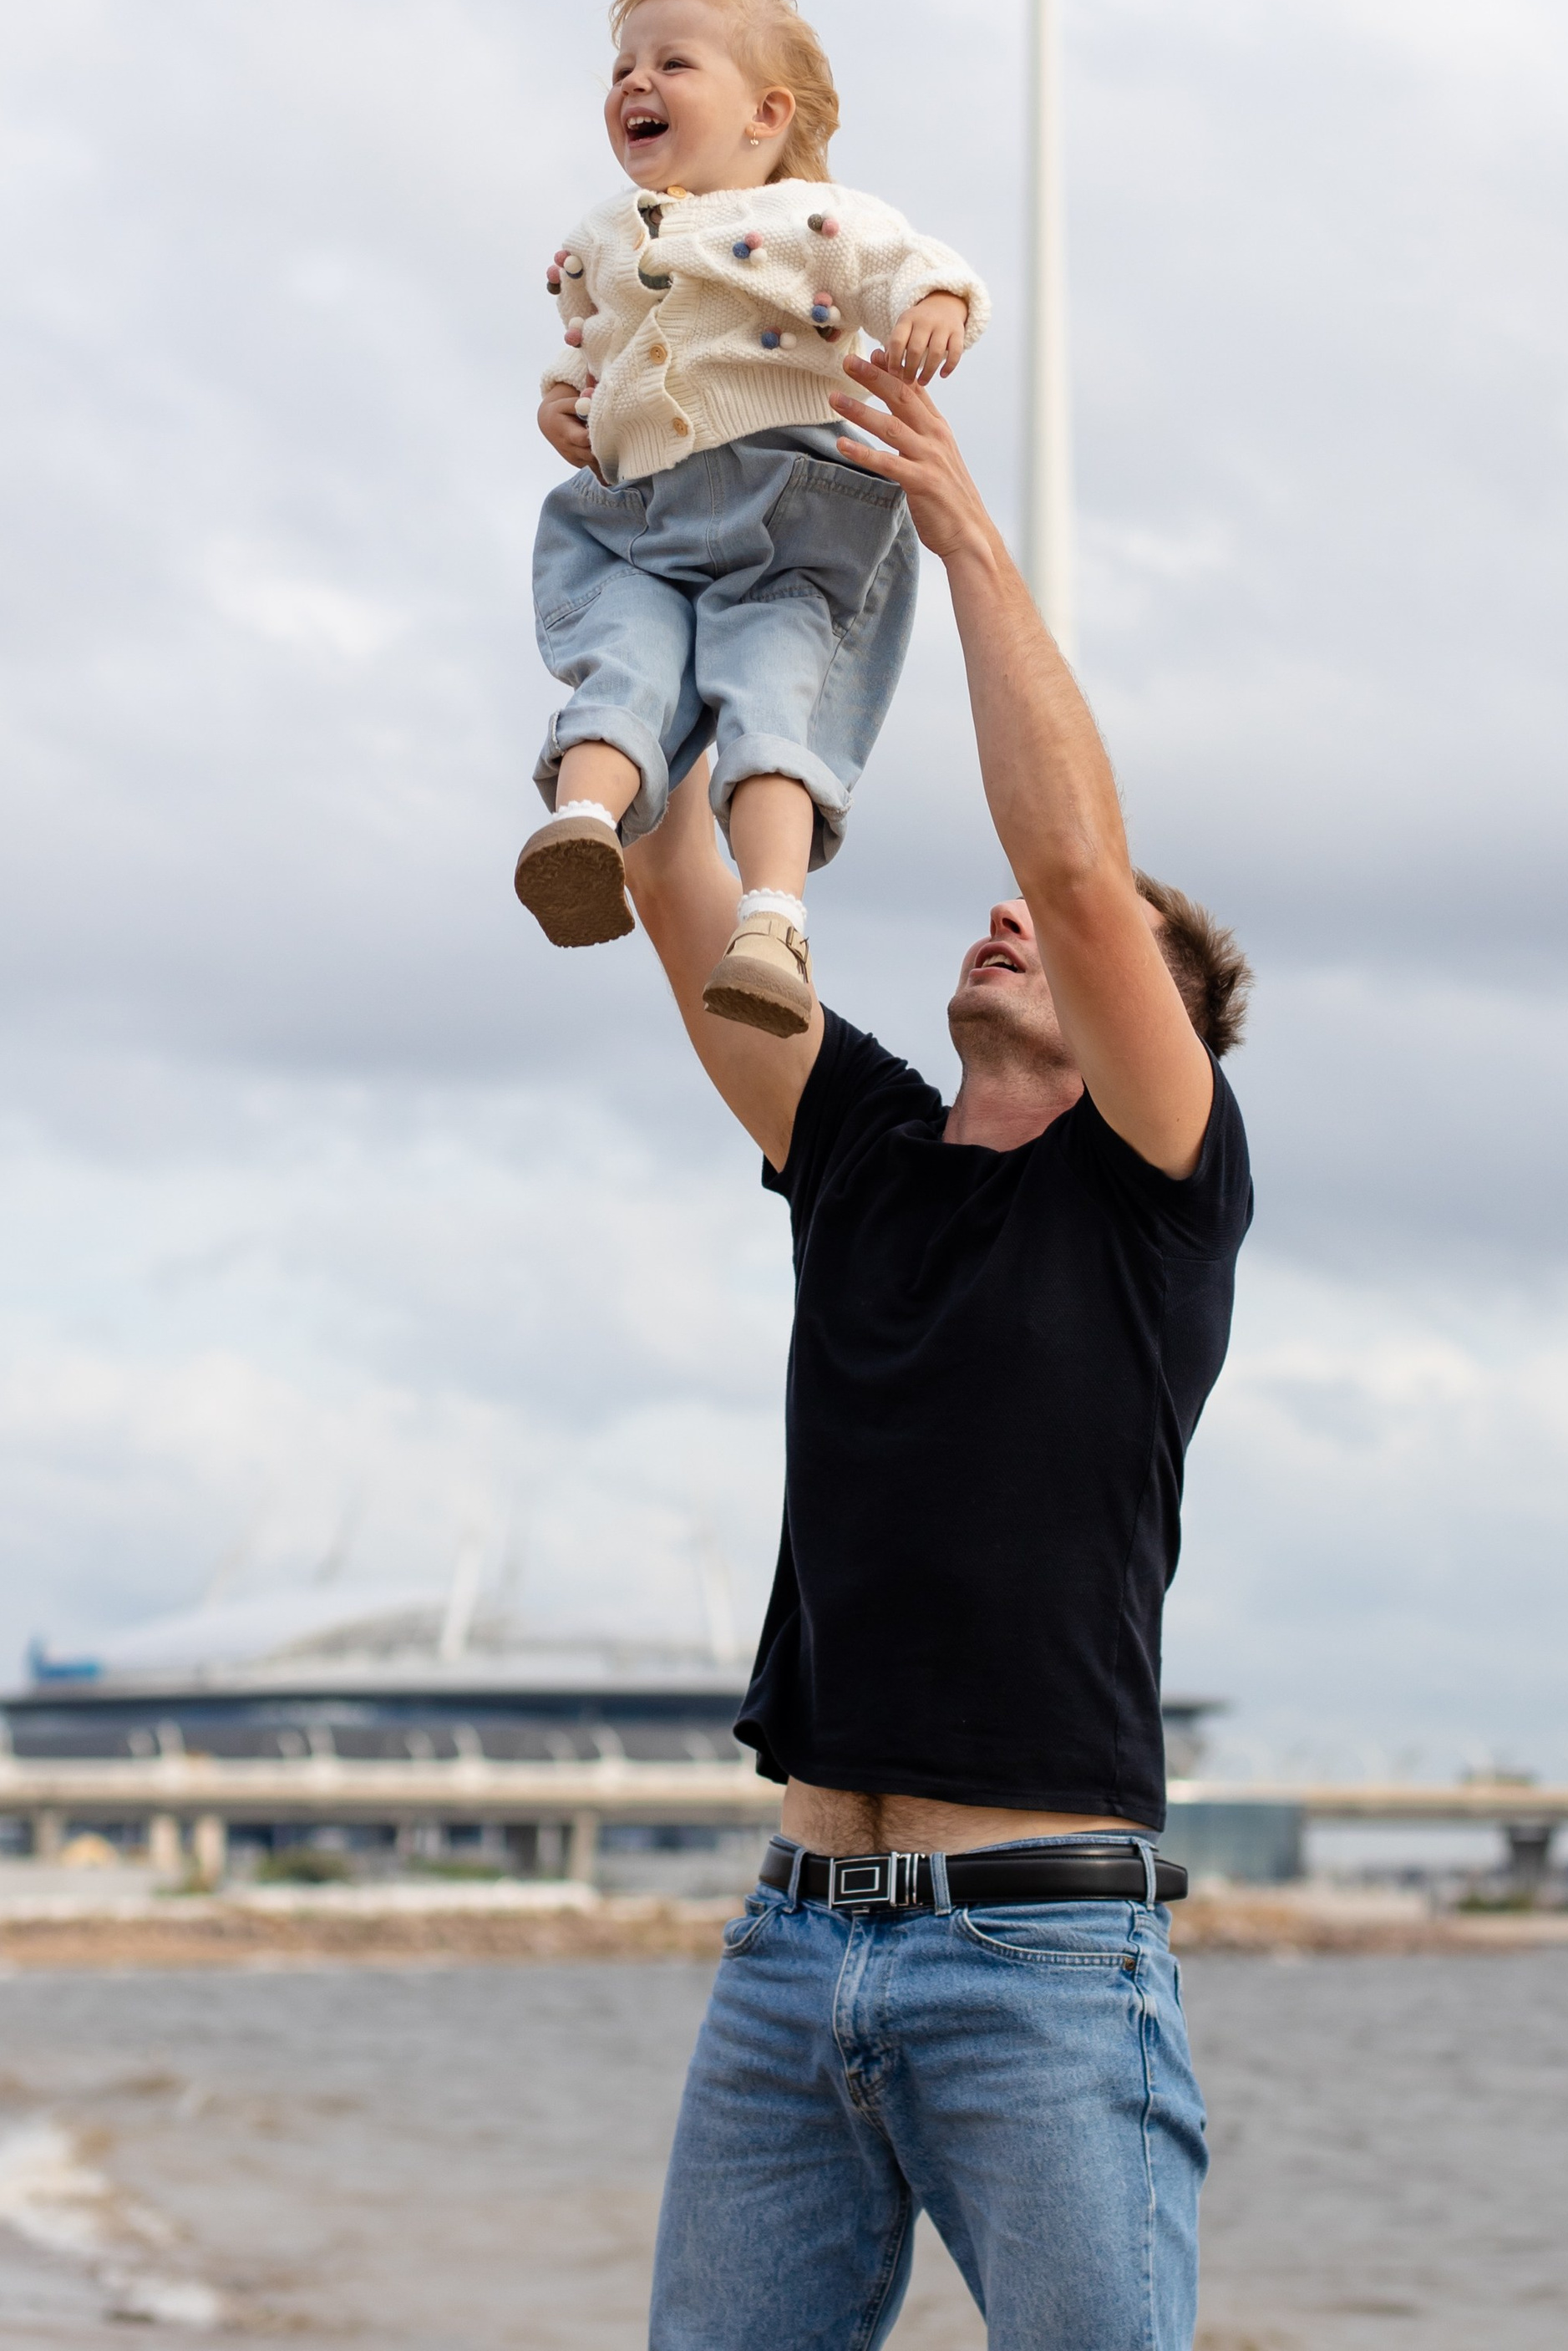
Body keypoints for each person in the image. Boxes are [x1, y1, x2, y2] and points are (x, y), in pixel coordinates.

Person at [621, 346, 1256, 2351]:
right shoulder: (867, 1147)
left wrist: (956, 525)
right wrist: (661, 485)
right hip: (788, 1950)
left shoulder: (1158, 1186)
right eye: (997, 915)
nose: (1019, 921)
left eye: (1086, 954)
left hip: (1042, 1966)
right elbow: (665, 869)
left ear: (1159, 1030)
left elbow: (1075, 867)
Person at [516, 0, 988, 1038]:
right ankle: (585, 826)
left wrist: (932, 310)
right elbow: (588, 347)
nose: (634, 84)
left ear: (767, 115)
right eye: (622, 67)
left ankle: (772, 922)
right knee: (624, 662)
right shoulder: (605, 236)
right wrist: (563, 404)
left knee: (772, 696)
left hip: (785, 511)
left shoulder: (815, 216)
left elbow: (916, 265)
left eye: (672, 63)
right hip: (641, 523)